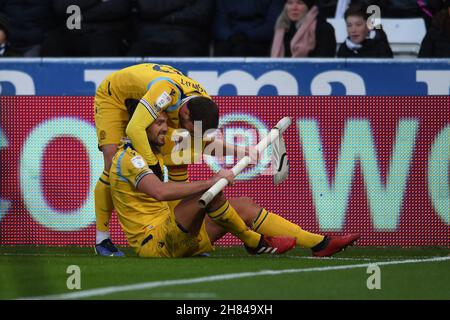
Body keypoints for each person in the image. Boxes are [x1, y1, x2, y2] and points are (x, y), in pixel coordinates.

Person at [109, 112, 361, 258]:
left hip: (178, 232)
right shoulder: (129, 158)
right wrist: (210, 181)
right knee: (213, 193)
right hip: (155, 244)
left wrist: (244, 151)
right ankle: (254, 241)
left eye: (165, 121)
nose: (165, 128)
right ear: (139, 126)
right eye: (158, 123)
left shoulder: (153, 143)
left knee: (244, 205)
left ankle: (320, 243)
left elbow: (201, 144)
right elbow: (160, 191)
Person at [93, 63, 222, 256]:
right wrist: (152, 165)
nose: (188, 133)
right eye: (188, 128)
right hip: (115, 97)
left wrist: (245, 151)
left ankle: (178, 236)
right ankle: (102, 240)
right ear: (186, 113)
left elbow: (202, 144)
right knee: (112, 164)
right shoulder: (166, 92)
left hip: (151, 98)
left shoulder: (203, 104)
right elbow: (134, 129)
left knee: (180, 158)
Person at [41, 0, 132, 57]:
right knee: (53, 42)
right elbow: (62, 6)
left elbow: (119, 7)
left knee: (102, 42)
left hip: (108, 33)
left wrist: (78, 13)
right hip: (74, 32)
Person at [128, 0, 214, 57]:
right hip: (150, 37)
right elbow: (146, 8)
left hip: (186, 37)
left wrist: (163, 17)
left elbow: (200, 14)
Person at [213, 0, 284, 57]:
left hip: (258, 41)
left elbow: (273, 24)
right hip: (229, 40)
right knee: (223, 49)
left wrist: (247, 35)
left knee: (242, 49)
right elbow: (219, 23)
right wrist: (230, 36)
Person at [271, 0, 337, 57]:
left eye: (299, 3)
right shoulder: (281, 28)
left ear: (308, 6)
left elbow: (324, 62)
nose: (294, 8)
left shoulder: (324, 29)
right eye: (290, 3)